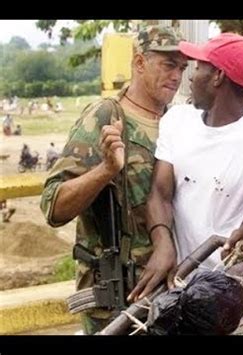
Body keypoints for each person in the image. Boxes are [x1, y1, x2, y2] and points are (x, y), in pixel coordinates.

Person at [40, 25, 189, 334]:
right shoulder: (106, 116)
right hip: (116, 298)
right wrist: (105, 170)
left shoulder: (180, 123)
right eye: (168, 65)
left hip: (170, 291)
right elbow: (53, 206)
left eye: (182, 68)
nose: (176, 76)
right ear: (139, 63)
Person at [141, 33, 243, 303]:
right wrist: (162, 244)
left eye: (198, 68)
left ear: (218, 76)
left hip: (227, 287)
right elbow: (160, 193)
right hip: (175, 279)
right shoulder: (178, 120)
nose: (191, 77)